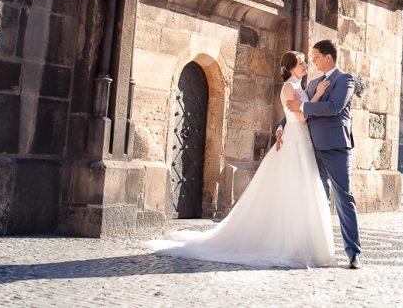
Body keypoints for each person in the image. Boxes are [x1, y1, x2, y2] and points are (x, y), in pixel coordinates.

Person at [149, 51, 335, 268]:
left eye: (304, 61)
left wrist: (283, 124)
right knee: (294, 189)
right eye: (301, 62)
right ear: (291, 67)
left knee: (305, 189)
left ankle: (308, 242)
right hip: (295, 143)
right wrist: (318, 97)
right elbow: (302, 117)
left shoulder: (299, 88)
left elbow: (292, 116)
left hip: (301, 142)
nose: (305, 65)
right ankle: (289, 244)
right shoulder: (289, 88)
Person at [283, 39, 363, 269]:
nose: (313, 60)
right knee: (316, 198)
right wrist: (281, 126)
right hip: (310, 147)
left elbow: (334, 107)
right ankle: (316, 250)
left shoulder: (345, 80)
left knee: (343, 198)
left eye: (316, 55)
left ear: (329, 57)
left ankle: (353, 253)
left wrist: (305, 108)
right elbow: (295, 107)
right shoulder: (315, 82)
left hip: (335, 147)